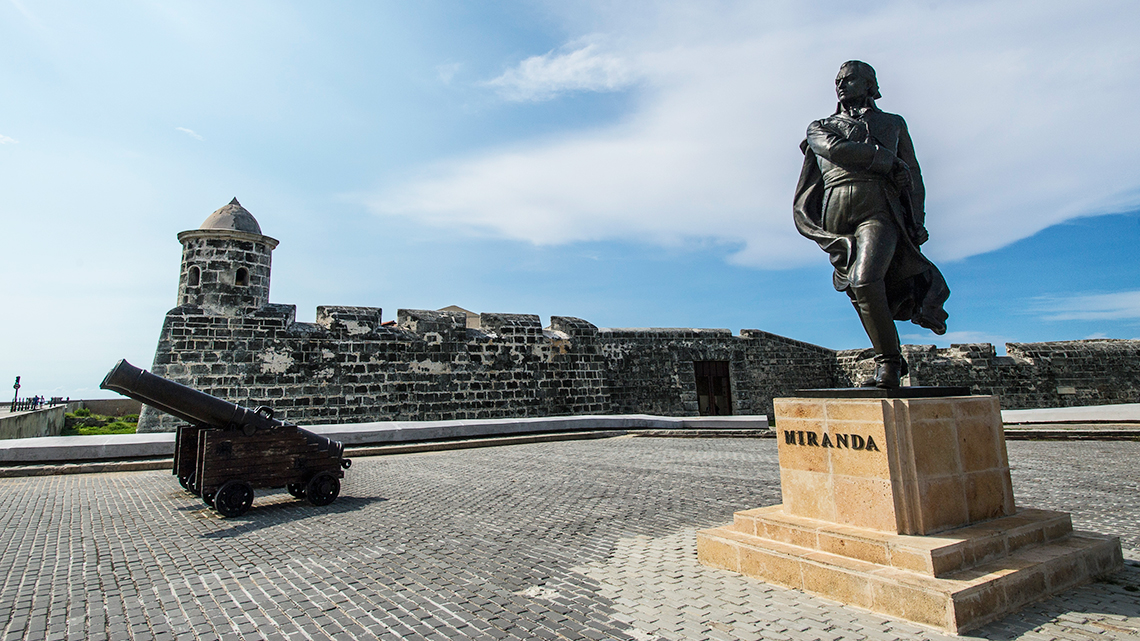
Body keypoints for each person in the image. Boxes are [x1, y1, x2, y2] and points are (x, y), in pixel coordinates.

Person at [793, 61, 949, 388]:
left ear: (869, 85)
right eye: (838, 81)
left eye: (849, 80)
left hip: (878, 205)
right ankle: (889, 355)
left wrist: (917, 218)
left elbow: (914, 176)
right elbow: (835, 150)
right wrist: (888, 160)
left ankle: (889, 364)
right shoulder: (820, 127)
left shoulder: (893, 124)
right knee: (855, 288)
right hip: (836, 214)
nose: (841, 85)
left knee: (865, 280)